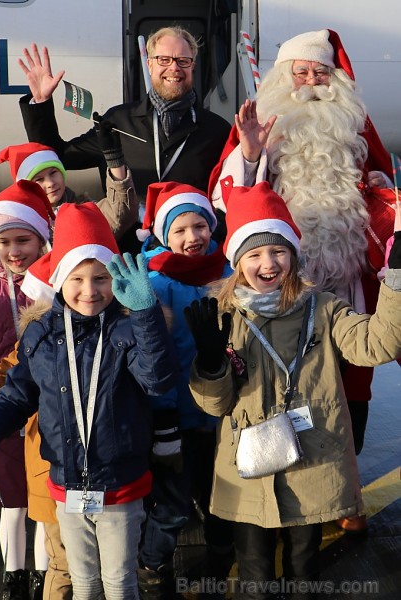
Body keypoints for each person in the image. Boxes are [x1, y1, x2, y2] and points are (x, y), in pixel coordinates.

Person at [209, 29, 397, 531]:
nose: (312, 81)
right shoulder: (263, 129)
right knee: (279, 386)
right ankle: (277, 490)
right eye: (301, 71)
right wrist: (250, 155)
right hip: (279, 286)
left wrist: (378, 186)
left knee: (352, 386)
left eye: (320, 72)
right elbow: (228, 199)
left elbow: (380, 186)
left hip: (343, 281)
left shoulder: (353, 126)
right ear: (283, 76)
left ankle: (346, 494)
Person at [184, 181, 401, 600]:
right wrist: (211, 365)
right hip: (247, 469)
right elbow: (216, 405)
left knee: (304, 568)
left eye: (279, 250)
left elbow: (379, 343)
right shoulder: (223, 316)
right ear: (238, 261)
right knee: (254, 571)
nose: (269, 263)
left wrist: (395, 281)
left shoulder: (324, 309)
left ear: (294, 256)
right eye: (255, 254)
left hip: (313, 463)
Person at [0, 201, 179, 600]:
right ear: (60, 278)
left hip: (120, 486)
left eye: (101, 278)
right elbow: (17, 393)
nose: (89, 291)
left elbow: (157, 380)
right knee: (83, 584)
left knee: (119, 584)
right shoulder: (41, 334)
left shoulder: (126, 329)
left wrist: (145, 314)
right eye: (77, 279)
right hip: (66, 485)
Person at [136, 181, 234, 598]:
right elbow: (153, 356)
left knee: (222, 500)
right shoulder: (155, 282)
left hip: (223, 415)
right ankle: (153, 566)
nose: (192, 237)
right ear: (163, 236)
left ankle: (218, 559)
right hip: (173, 415)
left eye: (200, 226)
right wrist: (163, 417)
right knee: (172, 505)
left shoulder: (230, 273)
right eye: (179, 230)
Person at [17, 26, 231, 205]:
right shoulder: (119, 121)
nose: (174, 67)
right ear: (149, 64)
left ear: (192, 65)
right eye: (164, 59)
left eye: (183, 60)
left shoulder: (217, 130)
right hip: (126, 250)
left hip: (188, 249)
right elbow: (57, 156)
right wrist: (41, 103)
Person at [0, 180, 54, 599]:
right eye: (6, 241)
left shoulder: (55, 286)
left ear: (42, 240)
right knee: (12, 504)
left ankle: (42, 576)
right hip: (2, 409)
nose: (15, 250)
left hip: (44, 413)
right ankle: (13, 577)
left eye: (24, 240)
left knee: (44, 503)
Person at [0, 141, 140, 250]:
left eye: (53, 173)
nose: (50, 183)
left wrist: (116, 164)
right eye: (39, 179)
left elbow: (120, 213)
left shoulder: (86, 211)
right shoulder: (20, 222)